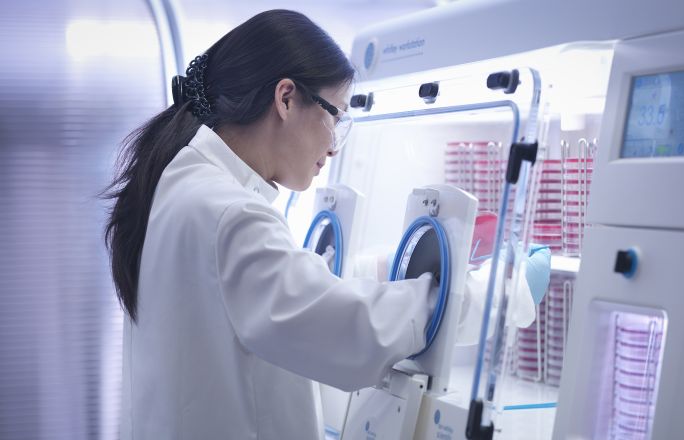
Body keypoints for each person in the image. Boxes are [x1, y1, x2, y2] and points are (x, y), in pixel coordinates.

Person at [103, 9, 436, 440]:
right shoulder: (231, 214)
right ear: (285, 98)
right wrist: (455, 295)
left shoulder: (178, 183)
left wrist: (371, 274)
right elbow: (351, 333)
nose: (334, 146)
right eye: (335, 116)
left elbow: (265, 300)